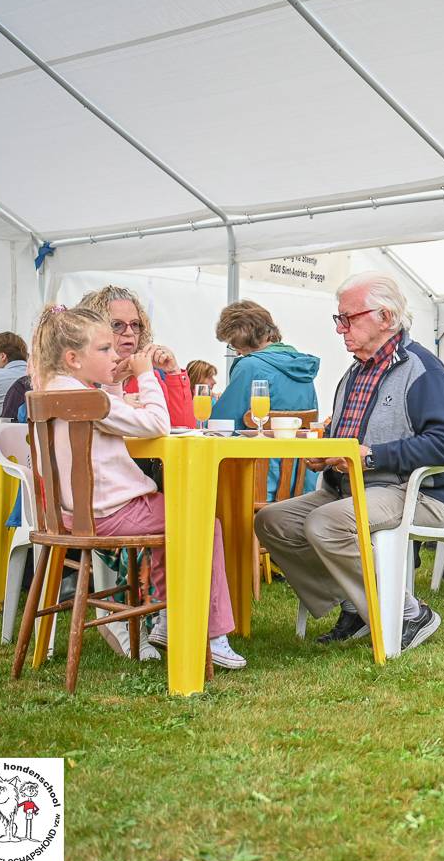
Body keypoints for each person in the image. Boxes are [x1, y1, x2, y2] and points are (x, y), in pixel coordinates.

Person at [254, 273, 444, 649]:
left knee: (326, 523)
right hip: (348, 488)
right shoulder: (355, 371)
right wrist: (327, 453)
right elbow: (351, 438)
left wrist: (371, 457)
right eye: (339, 319)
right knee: (272, 522)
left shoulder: (423, 370)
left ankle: (407, 613)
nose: (340, 328)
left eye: (348, 318)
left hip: (414, 492)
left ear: (385, 317)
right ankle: (357, 605)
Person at [29, 305, 244, 668]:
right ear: (73, 358)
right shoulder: (90, 400)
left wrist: (115, 379)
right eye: (104, 349)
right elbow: (158, 423)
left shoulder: (54, 390)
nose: (115, 353)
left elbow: (111, 410)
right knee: (205, 524)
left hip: (69, 517)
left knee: (169, 519)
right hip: (115, 512)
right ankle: (212, 634)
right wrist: (145, 376)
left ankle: (165, 619)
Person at [211, 300, 321, 497]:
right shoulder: (303, 367)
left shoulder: (250, 366)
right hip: (299, 484)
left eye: (232, 342)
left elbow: (219, 425)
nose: (234, 350)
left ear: (241, 336)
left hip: (258, 483)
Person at [76, 286, 196, 429]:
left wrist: (174, 372)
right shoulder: (80, 377)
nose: (129, 332)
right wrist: (119, 403)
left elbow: (184, 430)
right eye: (117, 325)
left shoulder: (147, 375)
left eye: (135, 324)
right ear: (91, 329)